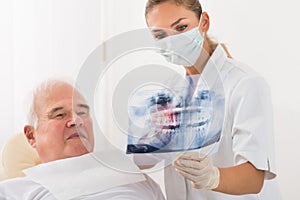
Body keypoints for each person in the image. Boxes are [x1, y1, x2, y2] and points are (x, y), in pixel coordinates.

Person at [144, 0, 280, 199]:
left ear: (204, 23)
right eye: (160, 35)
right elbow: (143, 160)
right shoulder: (169, 94)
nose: (172, 41)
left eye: (181, 27)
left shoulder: (245, 84)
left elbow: (254, 178)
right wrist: (151, 142)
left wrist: (213, 177)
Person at [0, 79, 165, 200]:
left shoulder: (136, 179)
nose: (76, 121)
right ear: (31, 135)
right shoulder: (14, 192)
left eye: (82, 113)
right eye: (59, 115)